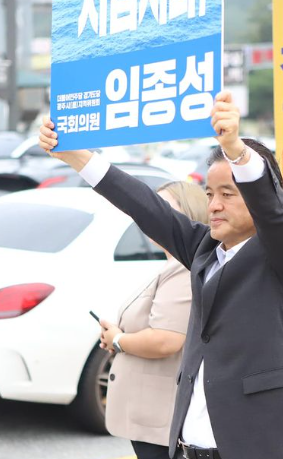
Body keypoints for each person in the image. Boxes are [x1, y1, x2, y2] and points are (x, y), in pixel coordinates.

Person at [39, 91, 283, 459]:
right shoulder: (204, 248)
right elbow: (144, 205)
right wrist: (75, 156)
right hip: (189, 448)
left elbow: (275, 212)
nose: (214, 205)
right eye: (209, 193)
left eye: (228, 193)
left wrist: (236, 150)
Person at [98, 181, 209, 459]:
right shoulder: (172, 264)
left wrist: (118, 339)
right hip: (152, 413)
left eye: (162, 208)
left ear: (187, 216)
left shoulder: (183, 268)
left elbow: (166, 340)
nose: (151, 215)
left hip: (159, 415)